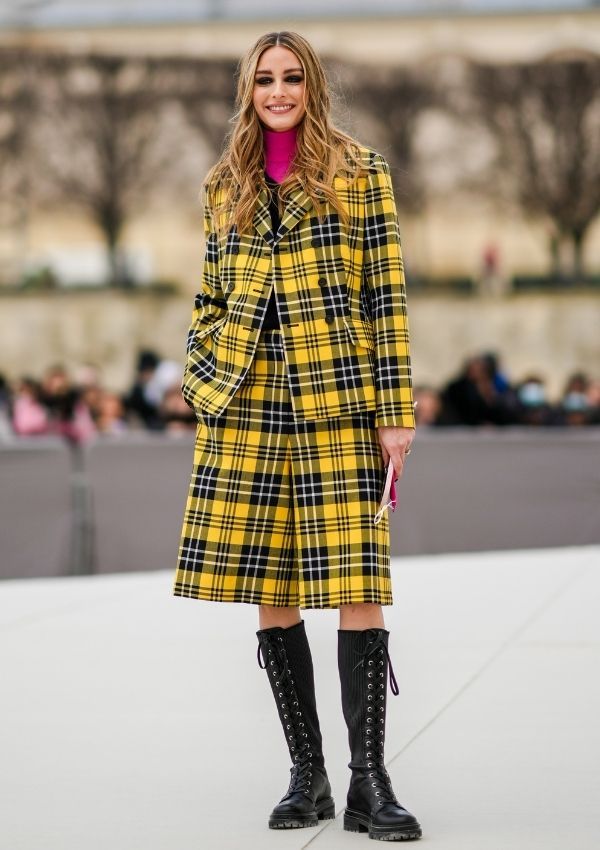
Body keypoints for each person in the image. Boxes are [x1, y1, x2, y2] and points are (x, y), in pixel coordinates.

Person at [172, 31, 421, 842]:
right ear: (248, 90)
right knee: (270, 588)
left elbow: (386, 298)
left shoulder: (362, 174)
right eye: (264, 80)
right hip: (246, 404)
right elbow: (210, 292)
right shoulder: (225, 183)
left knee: (358, 584)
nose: (278, 92)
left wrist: (395, 412)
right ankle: (306, 775)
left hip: (338, 400)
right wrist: (204, 373)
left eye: (292, 79)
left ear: (312, 85)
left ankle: (369, 783)